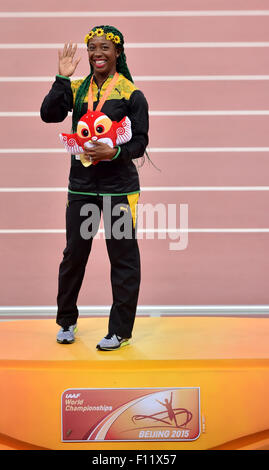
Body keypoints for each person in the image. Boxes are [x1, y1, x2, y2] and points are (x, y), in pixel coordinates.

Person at [40, 25, 149, 350]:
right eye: (92, 48)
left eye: (104, 48)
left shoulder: (131, 93)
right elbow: (49, 115)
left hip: (118, 189)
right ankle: (66, 321)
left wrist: (114, 152)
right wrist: (61, 78)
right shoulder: (76, 88)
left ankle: (120, 331)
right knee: (74, 254)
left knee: (123, 258)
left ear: (118, 52)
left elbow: (141, 141)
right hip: (83, 187)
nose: (97, 53)